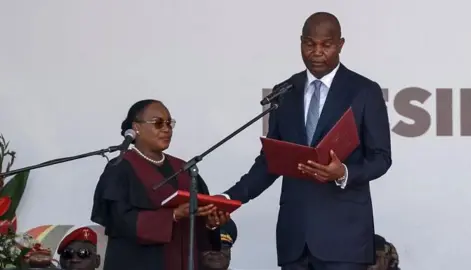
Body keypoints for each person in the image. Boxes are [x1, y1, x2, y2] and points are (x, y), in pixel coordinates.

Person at [220, 12, 392, 270]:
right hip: (295, 238)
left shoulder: (364, 91)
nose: (317, 52)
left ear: (341, 45)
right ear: (301, 42)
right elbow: (270, 161)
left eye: (327, 44)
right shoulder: (285, 91)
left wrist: (343, 172)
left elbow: (381, 158)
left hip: (344, 240)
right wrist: (229, 198)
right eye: (309, 44)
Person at [90, 99, 230, 270]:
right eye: (158, 123)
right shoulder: (120, 168)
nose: (166, 129)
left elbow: (198, 234)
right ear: (137, 128)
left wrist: (210, 223)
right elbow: (119, 221)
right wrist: (172, 215)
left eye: (169, 123)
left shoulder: (185, 168)